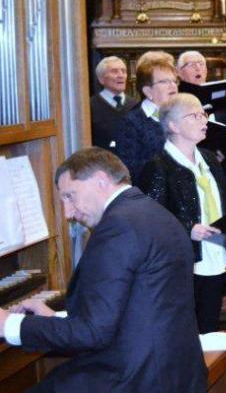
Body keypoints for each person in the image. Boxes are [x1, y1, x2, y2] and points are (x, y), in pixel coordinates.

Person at [0, 148, 206, 392]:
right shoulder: (152, 213)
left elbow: (93, 333)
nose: (67, 214)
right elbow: (133, 307)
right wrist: (56, 318)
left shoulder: (118, 226)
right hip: (175, 370)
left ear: (100, 180)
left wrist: (9, 325)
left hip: (135, 378)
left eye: (70, 196)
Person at [138, 93, 226, 334]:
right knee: (187, 330)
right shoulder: (159, 166)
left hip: (215, 251)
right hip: (184, 262)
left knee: (210, 326)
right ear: (173, 126)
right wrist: (187, 228)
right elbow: (151, 220)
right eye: (194, 115)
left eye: (203, 114)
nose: (203, 120)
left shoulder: (210, 159)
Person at [114, 51, 177, 182]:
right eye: (164, 81)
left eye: (174, 81)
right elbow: (130, 171)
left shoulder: (180, 114)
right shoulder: (131, 122)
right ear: (148, 91)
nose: (173, 86)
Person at [89, 56, 138, 151]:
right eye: (114, 72)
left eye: (123, 71)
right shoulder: (89, 107)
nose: (121, 75)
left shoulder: (136, 106)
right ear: (101, 79)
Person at [177, 50, 226, 125]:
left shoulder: (219, 95)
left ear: (206, 71)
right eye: (192, 65)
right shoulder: (175, 99)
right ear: (180, 72)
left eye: (201, 64)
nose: (198, 68)